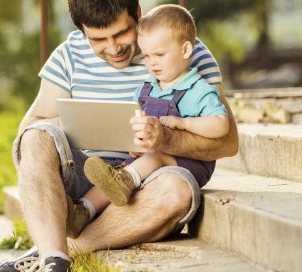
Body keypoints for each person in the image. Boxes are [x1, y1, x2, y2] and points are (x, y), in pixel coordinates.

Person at [0, 0, 238, 271]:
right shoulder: (68, 55)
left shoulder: (179, 47)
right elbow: (30, 130)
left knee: (177, 192)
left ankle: (53, 256)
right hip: (85, 178)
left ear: (138, 14)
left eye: (121, 33)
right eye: (98, 39)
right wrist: (79, 121)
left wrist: (167, 139)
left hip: (148, 184)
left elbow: (228, 142)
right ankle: (54, 254)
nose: (113, 47)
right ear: (82, 31)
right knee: (34, 137)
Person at [83, 4, 229, 208]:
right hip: (147, 160)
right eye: (147, 56)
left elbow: (221, 126)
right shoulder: (145, 89)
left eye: (159, 55)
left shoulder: (198, 89)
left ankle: (124, 181)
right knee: (113, 174)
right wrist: (135, 146)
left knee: (154, 157)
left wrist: (184, 124)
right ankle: (84, 209)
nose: (152, 63)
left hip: (189, 164)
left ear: (185, 49)